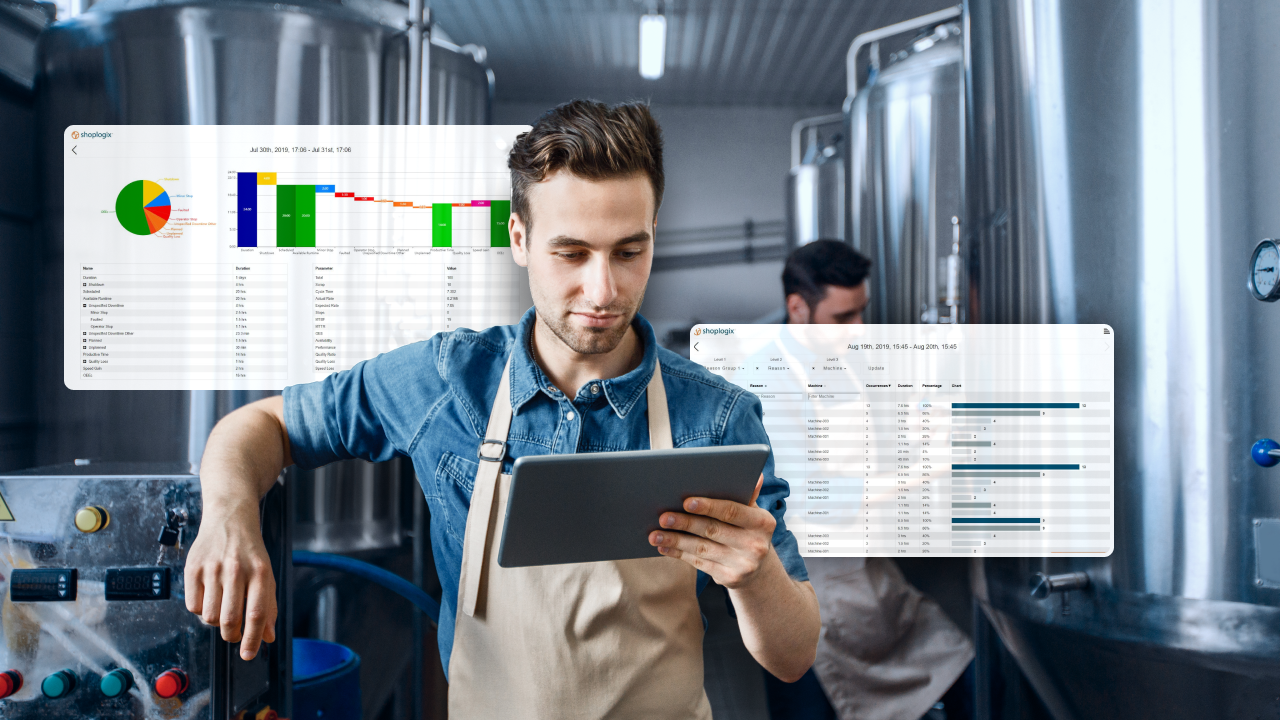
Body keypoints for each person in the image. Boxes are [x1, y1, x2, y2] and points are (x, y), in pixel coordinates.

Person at [183, 100, 820, 718]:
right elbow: (260, 425)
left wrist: (756, 576)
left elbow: (793, 659)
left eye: (629, 252)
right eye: (571, 253)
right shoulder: (445, 381)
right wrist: (231, 518)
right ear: (519, 238)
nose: (602, 290)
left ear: (654, 233)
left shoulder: (716, 416)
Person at [760, 240, 975, 720]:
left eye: (863, 312)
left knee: (964, 673)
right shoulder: (766, 379)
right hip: (808, 588)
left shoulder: (848, 358)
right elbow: (810, 496)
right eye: (843, 317)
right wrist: (926, 468)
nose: (859, 329)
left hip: (869, 575)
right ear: (798, 308)